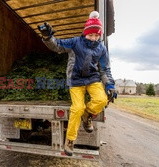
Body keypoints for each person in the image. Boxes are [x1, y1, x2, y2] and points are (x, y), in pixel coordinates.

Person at [38, 11, 116, 156]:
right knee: (77, 108)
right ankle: (70, 140)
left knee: (101, 100)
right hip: (76, 80)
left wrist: (110, 85)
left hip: (93, 79)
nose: (93, 38)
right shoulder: (75, 42)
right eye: (91, 35)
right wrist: (47, 37)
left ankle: (88, 114)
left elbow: (105, 69)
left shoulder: (101, 48)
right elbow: (57, 45)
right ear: (85, 32)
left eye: (96, 35)